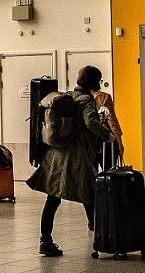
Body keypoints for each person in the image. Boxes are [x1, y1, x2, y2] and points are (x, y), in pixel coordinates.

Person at [27, 67, 112, 256]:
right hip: (77, 156)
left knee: (52, 199)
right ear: (94, 82)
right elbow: (90, 122)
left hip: (55, 155)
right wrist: (108, 135)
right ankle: (99, 235)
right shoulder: (86, 100)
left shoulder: (68, 96)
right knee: (89, 195)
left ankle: (45, 240)